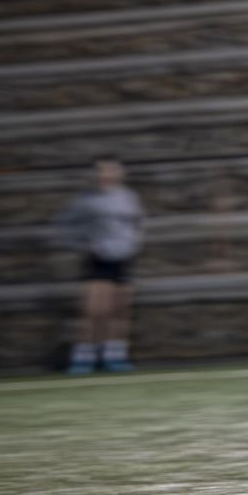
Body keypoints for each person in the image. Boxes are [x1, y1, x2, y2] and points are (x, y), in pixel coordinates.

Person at [53, 155, 145, 374]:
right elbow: (66, 225)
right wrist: (84, 245)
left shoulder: (129, 197)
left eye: (112, 170)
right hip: (99, 258)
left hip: (123, 258)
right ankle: (83, 357)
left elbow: (138, 223)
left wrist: (134, 242)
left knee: (120, 311)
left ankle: (115, 355)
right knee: (95, 311)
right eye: (103, 170)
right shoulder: (86, 199)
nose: (107, 175)